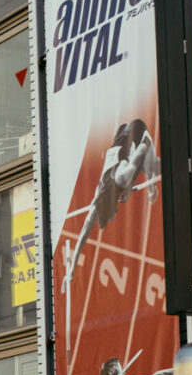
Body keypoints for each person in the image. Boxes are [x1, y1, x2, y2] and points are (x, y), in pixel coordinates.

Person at [63, 119, 160, 289]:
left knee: (147, 156)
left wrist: (151, 186)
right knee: (144, 160)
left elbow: (144, 147)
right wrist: (70, 271)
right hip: (120, 142)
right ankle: (150, 183)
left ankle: (151, 186)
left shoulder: (118, 181)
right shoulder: (98, 196)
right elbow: (82, 238)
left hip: (133, 140)